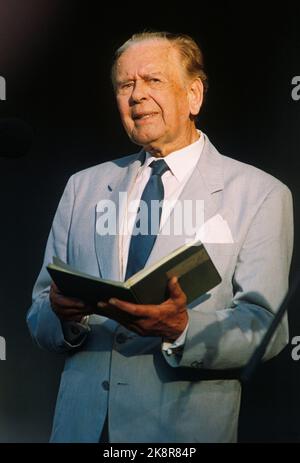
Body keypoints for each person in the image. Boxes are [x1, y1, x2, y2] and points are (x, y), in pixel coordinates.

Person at [27, 31, 293, 443]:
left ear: (193, 96)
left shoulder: (260, 194)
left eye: (152, 80)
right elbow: (39, 311)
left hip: (181, 432)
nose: (136, 95)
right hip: (81, 429)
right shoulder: (83, 187)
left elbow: (267, 327)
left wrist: (182, 327)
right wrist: (63, 317)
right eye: (125, 84)